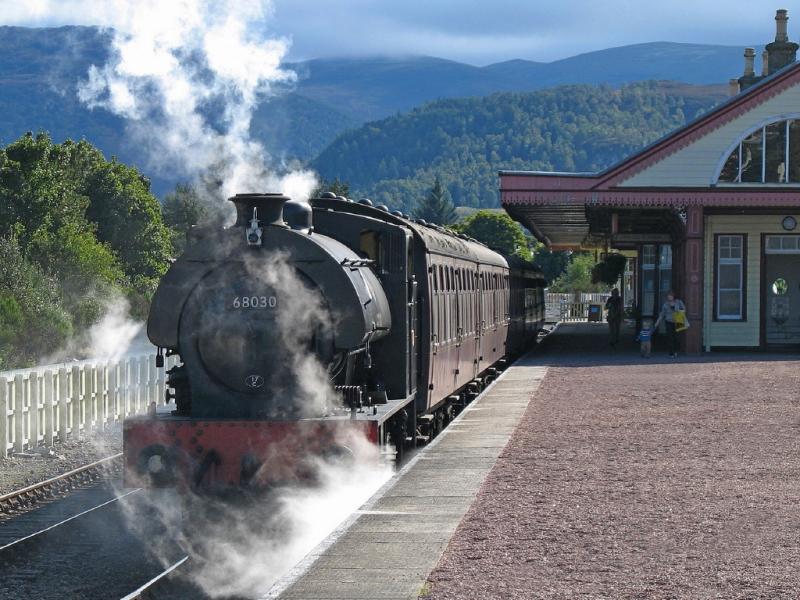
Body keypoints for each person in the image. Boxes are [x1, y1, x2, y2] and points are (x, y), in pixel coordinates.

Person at [654, 290, 686, 358]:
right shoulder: (665, 304)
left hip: (678, 321)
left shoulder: (678, 302)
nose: (669, 297)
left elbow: (684, 310)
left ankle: (675, 351)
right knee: (670, 337)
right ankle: (671, 353)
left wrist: (678, 310)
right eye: (668, 296)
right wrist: (657, 323)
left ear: (673, 296)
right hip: (668, 321)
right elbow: (662, 314)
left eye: (671, 296)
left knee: (676, 337)